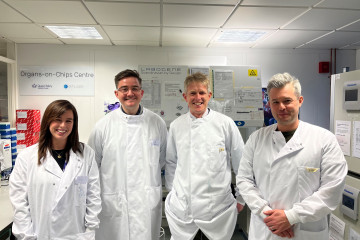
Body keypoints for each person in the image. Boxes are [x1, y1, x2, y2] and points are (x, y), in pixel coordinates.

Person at [236, 72, 348, 240]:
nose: (281, 107)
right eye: (275, 102)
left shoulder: (324, 139)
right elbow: (244, 180)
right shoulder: (256, 139)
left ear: (300, 101)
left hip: (304, 231)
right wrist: (266, 214)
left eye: (287, 100)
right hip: (266, 228)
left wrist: (291, 217)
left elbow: (332, 189)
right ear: (270, 105)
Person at [88, 69, 167, 239]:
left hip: (146, 201)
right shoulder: (103, 126)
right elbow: (93, 166)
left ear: (141, 92)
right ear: (117, 93)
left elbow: (162, 159)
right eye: (124, 89)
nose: (130, 93)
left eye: (135, 88)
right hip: (114, 201)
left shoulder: (157, 123)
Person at [165, 72, 245, 240]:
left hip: (218, 209)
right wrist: (173, 193)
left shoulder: (225, 124)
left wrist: (241, 198)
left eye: (202, 93)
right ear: (185, 96)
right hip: (184, 209)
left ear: (209, 95)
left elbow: (241, 163)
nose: (198, 98)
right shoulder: (176, 126)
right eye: (192, 93)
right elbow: (171, 162)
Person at [9, 99, 101, 240]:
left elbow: (93, 195)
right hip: (41, 233)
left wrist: (90, 230)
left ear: (74, 124)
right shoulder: (26, 157)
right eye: (57, 120)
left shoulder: (86, 153)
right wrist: (26, 235)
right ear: (48, 121)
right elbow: (19, 202)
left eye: (68, 121)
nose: (63, 125)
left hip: (77, 233)